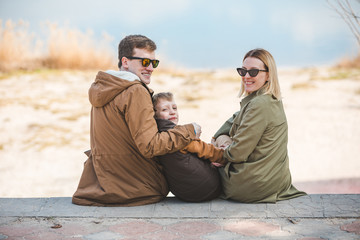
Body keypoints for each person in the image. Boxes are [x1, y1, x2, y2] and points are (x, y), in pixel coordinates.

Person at [72, 35, 201, 207]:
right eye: (145, 62)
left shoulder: (105, 87)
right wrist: (189, 131)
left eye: (154, 63)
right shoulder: (135, 91)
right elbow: (150, 146)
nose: (150, 68)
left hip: (103, 185)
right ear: (125, 62)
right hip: (138, 188)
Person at [211, 48, 306, 203]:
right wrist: (224, 141)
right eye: (243, 71)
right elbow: (221, 131)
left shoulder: (259, 105)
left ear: (268, 75)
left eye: (253, 72)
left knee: (194, 167)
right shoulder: (267, 99)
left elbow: (236, 153)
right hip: (272, 181)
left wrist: (219, 151)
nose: (246, 76)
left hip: (252, 184)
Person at [152, 92, 225, 202]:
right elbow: (206, 150)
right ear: (155, 114)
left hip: (182, 192)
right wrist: (224, 157)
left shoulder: (155, 136)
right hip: (208, 187)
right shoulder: (177, 136)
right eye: (165, 110)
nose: (172, 112)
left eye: (174, 108)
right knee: (221, 144)